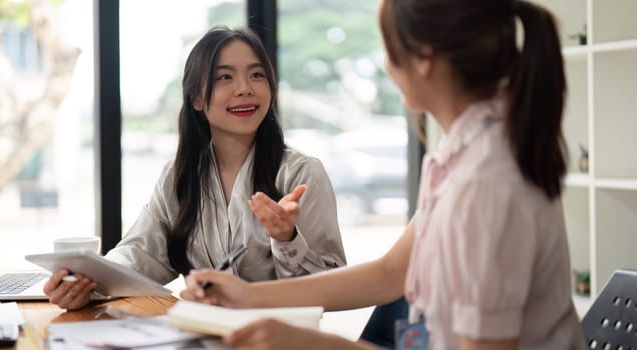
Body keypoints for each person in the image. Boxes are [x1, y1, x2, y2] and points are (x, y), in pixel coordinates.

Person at [181, 1, 586, 349]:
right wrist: (249, 295)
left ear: (424, 57)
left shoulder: (483, 184)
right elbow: (391, 273)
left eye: (389, 49)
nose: (386, 65)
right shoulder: (459, 155)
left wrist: (319, 344)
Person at [44, 26, 346, 310]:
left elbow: (331, 288)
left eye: (256, 75)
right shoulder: (179, 175)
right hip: (201, 333)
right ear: (197, 98)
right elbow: (141, 252)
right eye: (224, 78)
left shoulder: (301, 174)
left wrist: (287, 239)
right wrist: (87, 283)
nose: (244, 88)